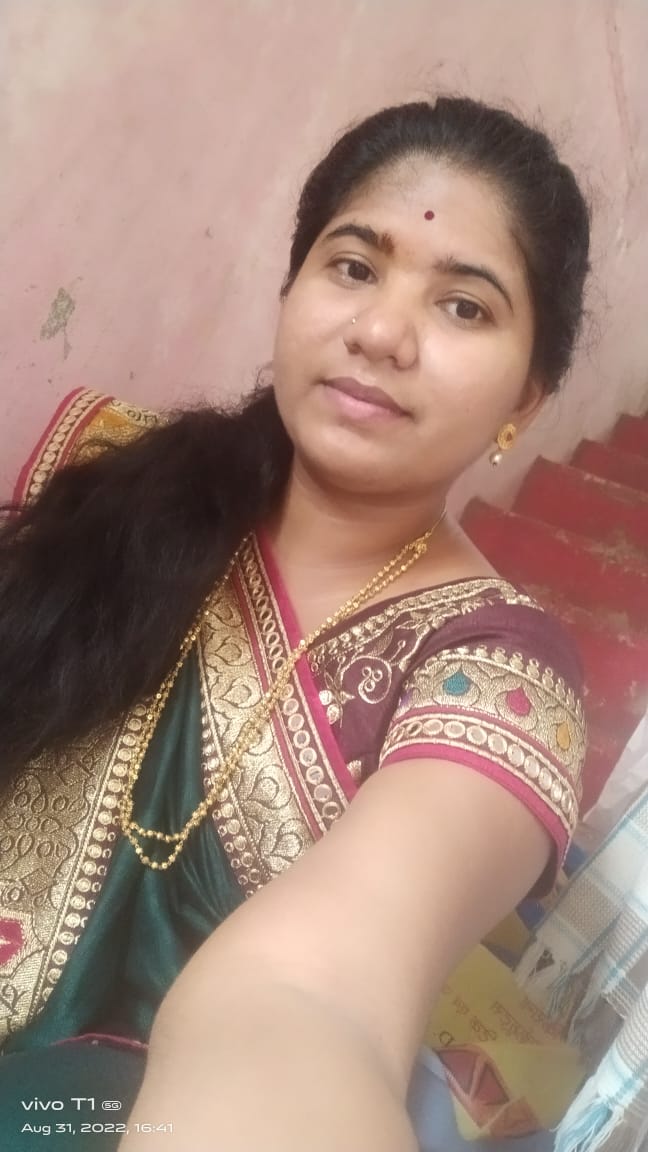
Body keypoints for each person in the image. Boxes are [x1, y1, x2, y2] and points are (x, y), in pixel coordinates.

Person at [0, 96, 592, 1151]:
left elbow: (314, 996)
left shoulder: (498, 672)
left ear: (527, 400)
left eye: (464, 307)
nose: (380, 333)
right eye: (354, 267)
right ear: (292, 290)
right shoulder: (119, 476)